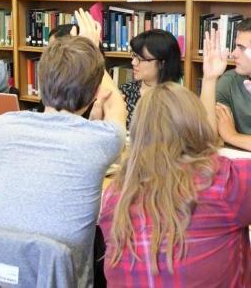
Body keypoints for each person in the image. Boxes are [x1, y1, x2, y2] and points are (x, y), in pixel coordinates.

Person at [99, 29, 251, 286]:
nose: (133, 63)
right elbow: (207, 141)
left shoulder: (115, 195)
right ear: (191, 124)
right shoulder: (224, 183)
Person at [0, 9, 127, 288]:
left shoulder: (3, 127)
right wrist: (91, 50)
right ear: (93, 94)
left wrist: (87, 53)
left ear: (40, 84)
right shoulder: (98, 140)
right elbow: (118, 103)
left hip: (7, 279)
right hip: (66, 281)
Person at [119, 29, 183, 127]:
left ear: (162, 63)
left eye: (140, 59)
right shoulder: (125, 92)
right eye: (134, 56)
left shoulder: (178, 99)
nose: (133, 62)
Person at [214, 18, 251, 151]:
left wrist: (231, 136)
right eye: (236, 46)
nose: (234, 54)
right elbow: (205, 132)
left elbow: (227, 134)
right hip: (237, 164)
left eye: (241, 48)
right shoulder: (229, 80)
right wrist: (209, 78)